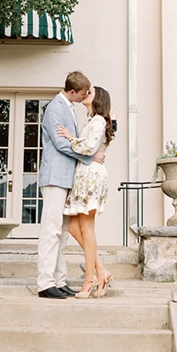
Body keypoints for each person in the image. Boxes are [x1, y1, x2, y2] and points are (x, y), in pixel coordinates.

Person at [36, 70, 95, 299]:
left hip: (66, 178)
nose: (84, 96)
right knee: (51, 230)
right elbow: (61, 144)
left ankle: (59, 280)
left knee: (62, 233)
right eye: (82, 93)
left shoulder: (69, 107)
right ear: (72, 91)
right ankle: (45, 282)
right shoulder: (54, 108)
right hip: (54, 178)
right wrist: (89, 156)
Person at [58, 85, 117, 298]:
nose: (85, 94)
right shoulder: (92, 120)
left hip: (91, 175)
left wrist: (70, 138)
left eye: (89, 92)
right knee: (75, 227)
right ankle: (101, 270)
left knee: (86, 227)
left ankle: (89, 280)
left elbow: (89, 148)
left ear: (98, 98)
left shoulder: (100, 120)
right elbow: (90, 149)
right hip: (84, 174)